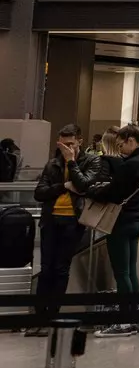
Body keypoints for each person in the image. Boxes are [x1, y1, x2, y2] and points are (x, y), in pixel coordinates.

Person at [78, 123, 139, 338]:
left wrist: (92, 191)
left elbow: (112, 192)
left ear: (131, 140)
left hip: (120, 221)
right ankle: (134, 317)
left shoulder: (130, 164)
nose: (120, 149)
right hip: (137, 218)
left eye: (122, 144)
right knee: (131, 270)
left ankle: (123, 321)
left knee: (121, 273)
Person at [29, 125, 83, 330]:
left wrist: (72, 162)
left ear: (79, 141)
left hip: (73, 221)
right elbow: (39, 192)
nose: (66, 148)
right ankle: (38, 317)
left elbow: (84, 186)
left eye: (70, 144)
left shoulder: (88, 162)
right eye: (62, 144)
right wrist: (62, 187)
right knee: (46, 269)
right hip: (51, 220)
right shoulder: (52, 164)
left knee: (61, 269)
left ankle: (53, 316)